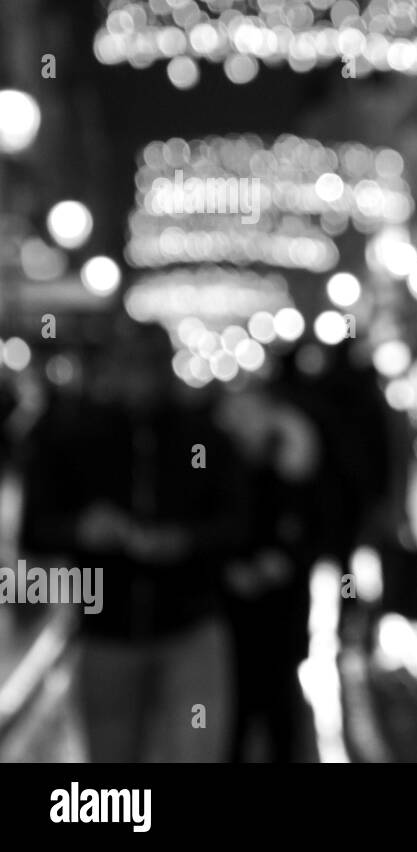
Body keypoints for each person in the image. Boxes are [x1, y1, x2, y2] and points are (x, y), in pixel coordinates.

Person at [20, 321, 249, 762]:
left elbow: (236, 522)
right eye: (128, 364)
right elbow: (36, 528)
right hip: (108, 630)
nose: (138, 378)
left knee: (195, 748)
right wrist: (82, 530)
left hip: (190, 625)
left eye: (149, 365)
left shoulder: (202, 436)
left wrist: (184, 541)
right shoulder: (70, 434)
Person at [216, 384, 329, 762]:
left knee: (279, 707)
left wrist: (283, 561)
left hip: (281, 613)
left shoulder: (295, 462)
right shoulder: (222, 463)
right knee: (233, 710)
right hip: (232, 616)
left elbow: (316, 526)